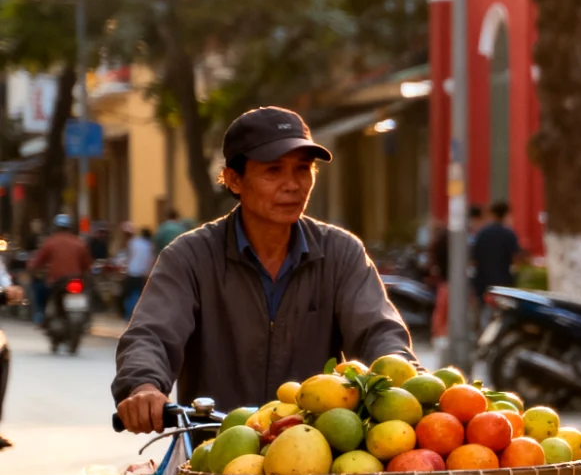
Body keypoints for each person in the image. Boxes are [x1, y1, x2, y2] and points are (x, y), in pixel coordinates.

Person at [114, 106, 416, 430]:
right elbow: (152, 335)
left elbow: (379, 333)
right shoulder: (190, 257)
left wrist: (404, 378)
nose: (292, 185)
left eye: (303, 169)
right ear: (233, 179)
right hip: (213, 457)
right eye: (273, 171)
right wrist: (144, 387)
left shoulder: (340, 253)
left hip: (316, 456)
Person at [28, 214, 92, 325]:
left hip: (57, 280)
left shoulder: (50, 242)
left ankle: (41, 315)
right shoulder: (79, 243)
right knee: (89, 291)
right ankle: (88, 319)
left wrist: (32, 270)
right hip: (76, 279)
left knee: (39, 290)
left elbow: (37, 262)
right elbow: (87, 265)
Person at [470, 201, 523, 297]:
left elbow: (474, 259)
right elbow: (516, 257)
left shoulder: (482, 233)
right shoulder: (509, 234)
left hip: (482, 282)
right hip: (503, 283)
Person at [120, 222, 154, 318]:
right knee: (138, 295)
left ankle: (129, 315)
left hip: (131, 272)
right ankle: (136, 315)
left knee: (129, 295)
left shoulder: (132, 243)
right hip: (141, 273)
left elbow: (129, 257)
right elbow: (149, 260)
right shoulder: (148, 245)